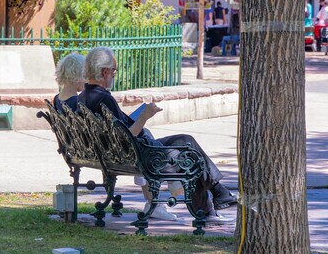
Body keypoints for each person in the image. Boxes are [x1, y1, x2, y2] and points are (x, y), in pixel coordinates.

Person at [78, 47, 236, 224]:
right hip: (137, 155)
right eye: (114, 71)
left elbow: (117, 131)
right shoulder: (103, 98)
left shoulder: (85, 95)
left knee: (186, 141)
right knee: (189, 155)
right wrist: (144, 116)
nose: (114, 75)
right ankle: (210, 206)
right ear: (105, 71)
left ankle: (216, 196)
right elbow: (124, 138)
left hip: (118, 155)